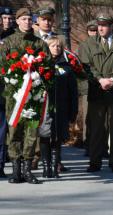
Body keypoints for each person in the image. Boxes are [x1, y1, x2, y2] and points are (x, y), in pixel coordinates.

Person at [0, 8, 48, 184]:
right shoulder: (8, 42)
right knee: (14, 132)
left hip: (34, 95)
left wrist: (41, 82)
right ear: (17, 21)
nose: (28, 22)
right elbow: (2, 67)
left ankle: (28, 170)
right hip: (14, 96)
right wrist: (12, 79)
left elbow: (47, 66)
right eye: (24, 19)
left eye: (30, 19)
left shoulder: (39, 44)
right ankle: (16, 171)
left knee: (31, 131)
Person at [80, 14, 113, 173]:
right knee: (96, 129)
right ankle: (94, 162)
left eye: (104, 25)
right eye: (98, 25)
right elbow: (86, 65)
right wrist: (100, 80)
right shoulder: (88, 44)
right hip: (97, 91)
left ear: (111, 26)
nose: (100, 28)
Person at [40, 37, 78, 179]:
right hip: (45, 108)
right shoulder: (41, 65)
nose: (56, 48)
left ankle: (55, 167)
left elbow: (73, 91)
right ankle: (46, 167)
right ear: (47, 48)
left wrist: (73, 111)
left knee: (57, 138)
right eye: (53, 46)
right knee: (45, 137)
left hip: (61, 108)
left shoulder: (67, 67)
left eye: (59, 46)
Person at [75, 20, 98, 152]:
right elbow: (80, 67)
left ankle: (99, 145)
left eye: (95, 30)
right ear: (88, 32)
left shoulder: (104, 45)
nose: (94, 33)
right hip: (87, 86)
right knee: (88, 117)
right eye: (91, 31)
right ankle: (87, 144)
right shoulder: (82, 47)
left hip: (101, 86)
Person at [0, 6, 13, 178]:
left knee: (3, 131)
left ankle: (1, 164)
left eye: (10, 18)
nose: (7, 21)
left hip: (8, 87)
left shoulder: (14, 37)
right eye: (4, 17)